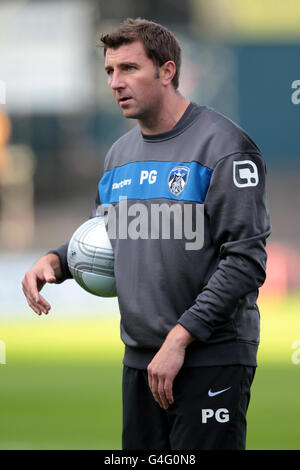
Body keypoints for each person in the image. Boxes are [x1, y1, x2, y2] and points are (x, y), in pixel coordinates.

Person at [22, 18, 271, 450]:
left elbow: (245, 262)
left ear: (167, 71)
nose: (116, 83)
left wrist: (180, 338)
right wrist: (57, 261)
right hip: (141, 360)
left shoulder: (225, 146)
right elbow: (109, 234)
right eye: (109, 72)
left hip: (210, 357)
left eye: (129, 69)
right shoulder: (119, 155)